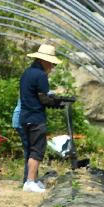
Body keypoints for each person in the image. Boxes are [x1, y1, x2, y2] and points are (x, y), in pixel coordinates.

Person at [18, 43, 63, 193]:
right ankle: (30, 182)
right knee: (37, 151)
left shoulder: (27, 73)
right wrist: (57, 102)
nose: (52, 66)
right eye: (51, 62)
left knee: (30, 150)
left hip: (25, 117)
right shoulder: (41, 75)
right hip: (36, 118)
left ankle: (31, 180)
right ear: (44, 60)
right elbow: (44, 99)